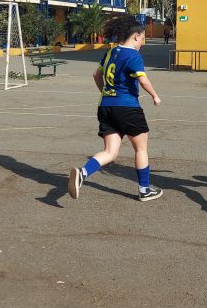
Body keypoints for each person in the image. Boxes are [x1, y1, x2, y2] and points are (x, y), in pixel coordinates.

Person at [68, 15, 163, 202]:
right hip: (127, 107)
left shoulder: (112, 52)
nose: (142, 42)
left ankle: (83, 172)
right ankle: (144, 190)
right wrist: (155, 95)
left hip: (105, 106)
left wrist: (106, 93)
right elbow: (143, 80)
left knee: (110, 152)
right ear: (136, 36)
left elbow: (96, 75)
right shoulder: (133, 55)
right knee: (141, 149)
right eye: (142, 38)